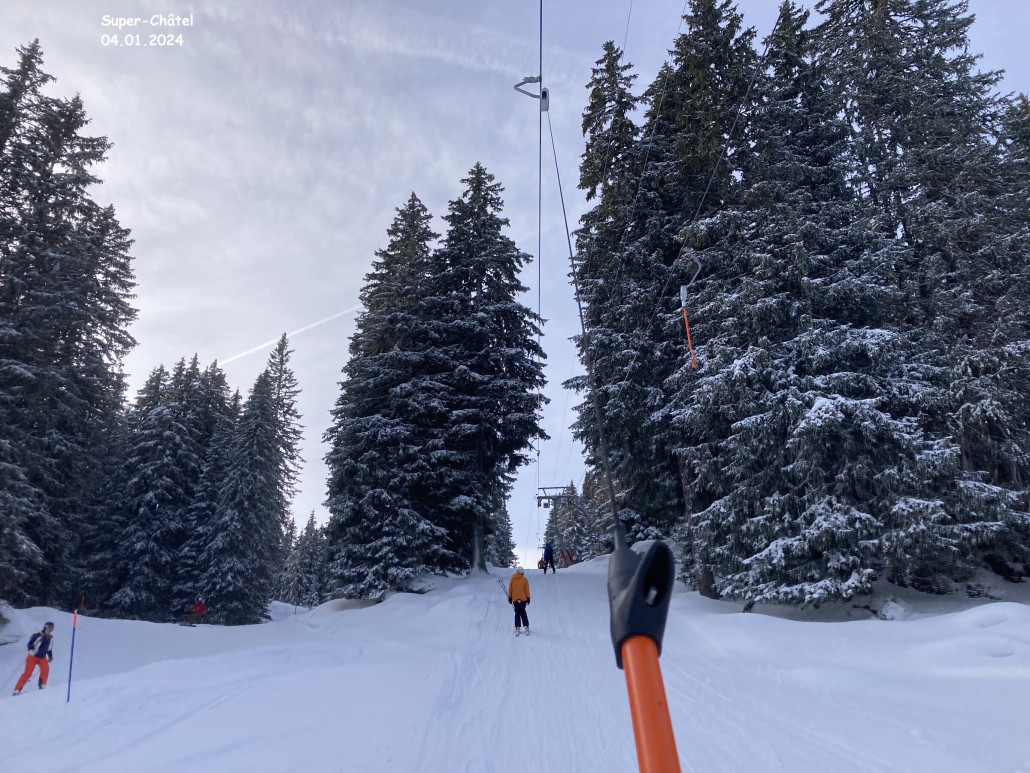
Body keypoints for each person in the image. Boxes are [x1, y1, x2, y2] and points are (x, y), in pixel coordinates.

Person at [13, 621, 54, 695]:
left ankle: (42, 686)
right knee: (27, 673)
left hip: (42, 657)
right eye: (49, 628)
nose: (50, 630)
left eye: (51, 629)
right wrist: (31, 650)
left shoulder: (50, 639)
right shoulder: (38, 635)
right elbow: (30, 644)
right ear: (45, 627)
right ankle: (17, 690)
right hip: (32, 656)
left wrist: (50, 656)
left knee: (45, 670)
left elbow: (49, 649)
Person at [507, 566, 531, 636]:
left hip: (515, 599)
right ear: (521, 572)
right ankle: (526, 626)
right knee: (523, 612)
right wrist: (528, 598)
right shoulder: (524, 580)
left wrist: (510, 597)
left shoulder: (512, 579)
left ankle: (517, 627)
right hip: (523, 599)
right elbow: (526, 590)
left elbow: (510, 589)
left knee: (517, 613)